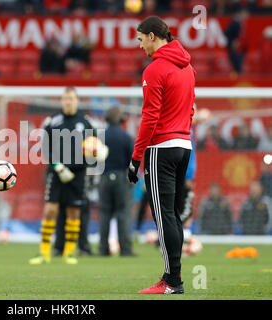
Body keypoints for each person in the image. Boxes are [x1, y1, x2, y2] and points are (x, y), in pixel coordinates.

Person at [127, 16, 195, 294]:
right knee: (173, 215)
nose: (140, 46)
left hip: (161, 148)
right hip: (184, 145)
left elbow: (150, 117)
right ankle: (173, 278)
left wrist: (136, 157)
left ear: (153, 36)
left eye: (141, 40)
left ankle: (171, 281)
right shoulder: (188, 67)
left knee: (163, 215)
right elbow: (190, 109)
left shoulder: (155, 70)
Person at [29, 86, 96, 265]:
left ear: (77, 101)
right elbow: (45, 147)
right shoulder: (52, 121)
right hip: (57, 172)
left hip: (78, 173)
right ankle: (44, 252)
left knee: (74, 212)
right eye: (66, 99)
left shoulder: (86, 122)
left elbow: (93, 146)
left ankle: (69, 252)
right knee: (50, 209)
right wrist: (57, 165)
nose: (68, 102)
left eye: (71, 99)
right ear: (62, 101)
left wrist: (97, 153)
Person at [98, 107, 135, 257]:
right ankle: (125, 249)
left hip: (105, 178)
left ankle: (103, 249)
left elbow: (94, 159)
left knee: (105, 213)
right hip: (121, 178)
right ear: (121, 119)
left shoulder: (101, 137)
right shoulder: (126, 137)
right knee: (123, 213)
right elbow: (132, 161)